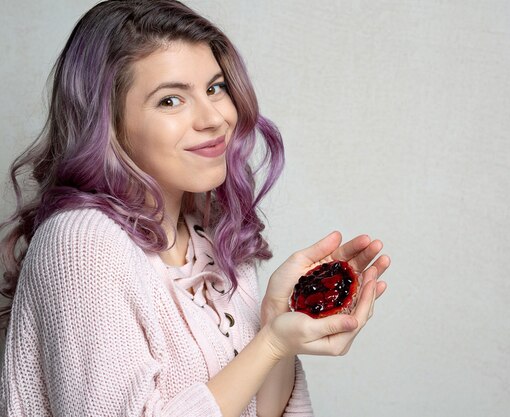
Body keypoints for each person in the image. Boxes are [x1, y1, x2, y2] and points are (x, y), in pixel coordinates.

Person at [0, 1, 390, 416]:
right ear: (108, 125)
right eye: (170, 100)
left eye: (214, 88)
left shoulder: (213, 234)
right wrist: (271, 343)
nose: (213, 118)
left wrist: (276, 322)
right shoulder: (80, 243)